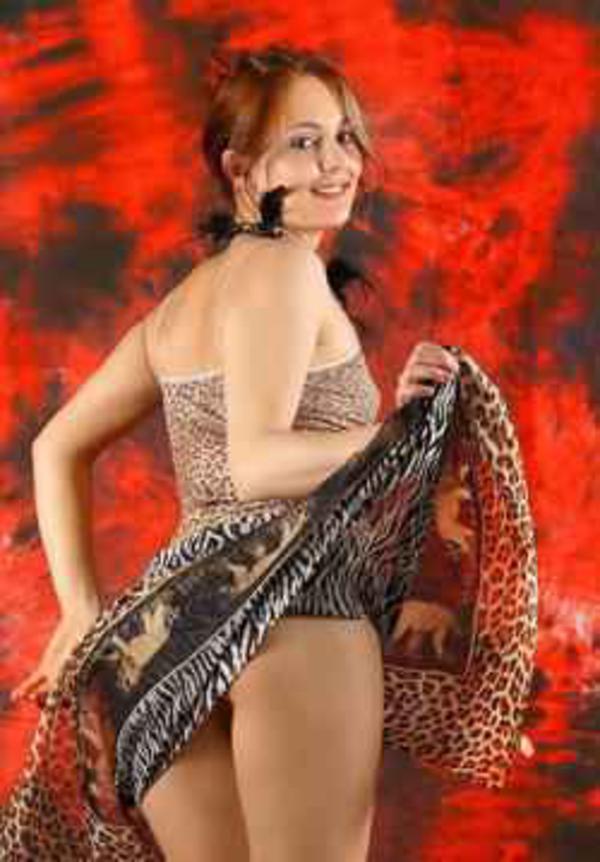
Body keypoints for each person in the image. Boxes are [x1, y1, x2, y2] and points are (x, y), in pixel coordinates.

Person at [1, 45, 537, 861]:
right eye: (303, 143)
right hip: (293, 613)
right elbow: (256, 465)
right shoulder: (286, 270)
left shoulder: (185, 303)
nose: (336, 164)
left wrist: (83, 611)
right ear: (240, 168)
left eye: (344, 138)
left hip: (159, 640)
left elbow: (57, 446)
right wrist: (392, 434)